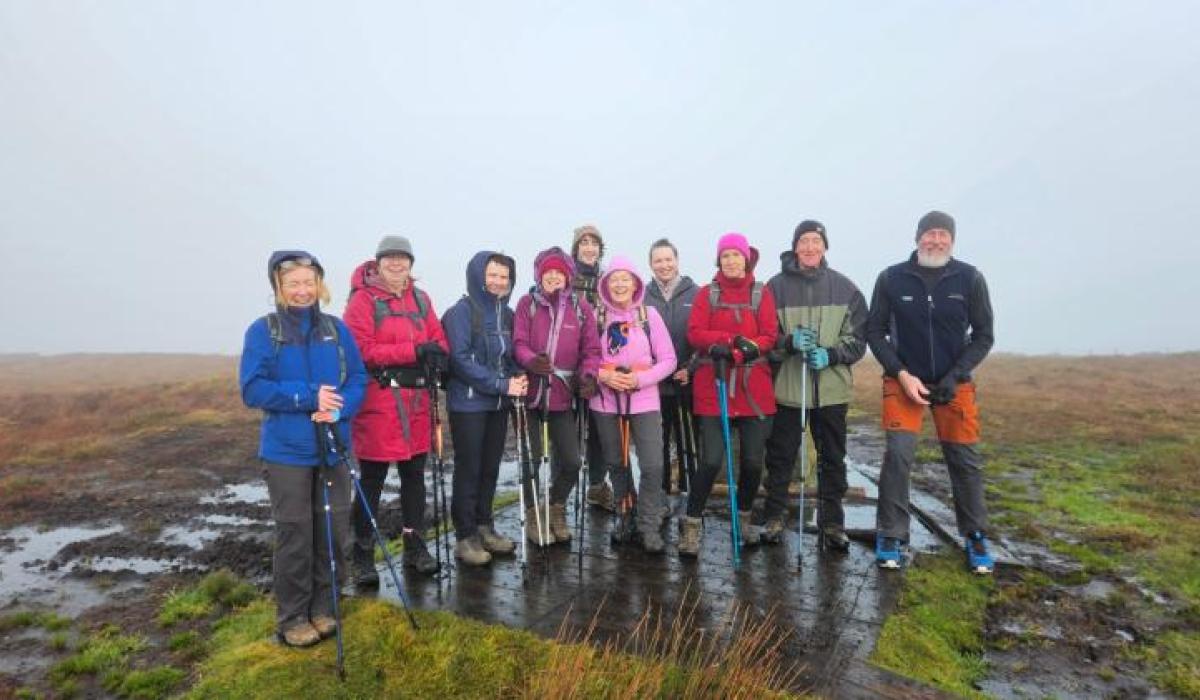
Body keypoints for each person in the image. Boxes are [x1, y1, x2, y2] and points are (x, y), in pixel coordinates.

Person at [239, 251, 367, 647]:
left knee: (333, 531)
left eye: (308, 282)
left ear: (319, 284)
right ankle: (293, 617)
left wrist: (339, 408)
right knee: (295, 535)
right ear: (278, 287)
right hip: (287, 453)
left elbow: (358, 378)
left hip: (333, 447)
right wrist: (308, 396)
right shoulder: (264, 331)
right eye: (293, 283)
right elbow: (253, 388)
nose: (302, 290)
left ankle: (325, 607)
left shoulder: (336, 329)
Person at [866, 211, 996, 573]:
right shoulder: (891, 278)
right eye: (929, 234)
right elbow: (874, 331)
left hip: (955, 384)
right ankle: (891, 534)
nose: (935, 241)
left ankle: (975, 535)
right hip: (903, 380)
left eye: (943, 235)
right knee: (898, 456)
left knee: (964, 459)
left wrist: (956, 375)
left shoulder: (970, 278)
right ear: (917, 237)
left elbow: (984, 335)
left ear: (952, 240)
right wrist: (901, 373)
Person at [343, 235, 449, 583]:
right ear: (377, 262)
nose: (396, 263)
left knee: (414, 476)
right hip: (379, 402)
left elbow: (438, 338)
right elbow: (361, 350)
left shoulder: (421, 298)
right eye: (389, 257)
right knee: (372, 479)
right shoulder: (362, 300)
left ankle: (414, 546)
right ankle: (362, 556)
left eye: (403, 257)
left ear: (410, 263)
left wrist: (437, 354)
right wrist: (414, 351)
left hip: (416, 402)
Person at [762, 220, 867, 551]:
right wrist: (788, 342)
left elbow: (859, 340)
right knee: (780, 457)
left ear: (824, 246)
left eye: (815, 241)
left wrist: (831, 354)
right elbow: (766, 337)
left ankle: (832, 523)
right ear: (795, 247)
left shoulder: (846, 288)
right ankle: (774, 516)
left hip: (831, 391)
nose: (809, 247)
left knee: (832, 458)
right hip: (788, 390)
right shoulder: (774, 288)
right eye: (804, 241)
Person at [682, 233, 778, 557]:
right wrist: (726, 341)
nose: (732, 261)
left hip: (754, 390)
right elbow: (695, 332)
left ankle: (744, 518)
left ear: (747, 258)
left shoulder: (761, 293)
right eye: (726, 256)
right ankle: (691, 524)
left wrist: (739, 351)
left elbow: (769, 335)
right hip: (714, 386)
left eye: (737, 255)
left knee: (752, 463)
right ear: (719, 260)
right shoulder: (707, 294)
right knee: (710, 461)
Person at [442, 251, 528, 566]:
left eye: (504, 277)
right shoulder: (461, 313)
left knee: (490, 467)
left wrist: (519, 374)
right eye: (492, 275)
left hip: (497, 403)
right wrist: (502, 385)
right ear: (478, 276)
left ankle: (484, 526)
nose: (498, 282)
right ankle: (465, 536)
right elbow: (460, 360)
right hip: (468, 404)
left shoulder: (508, 315)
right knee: (469, 468)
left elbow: (509, 356)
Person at [513, 246, 602, 544]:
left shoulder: (581, 307)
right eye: (547, 272)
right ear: (539, 276)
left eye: (558, 273)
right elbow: (519, 342)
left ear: (568, 277)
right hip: (531, 396)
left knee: (572, 462)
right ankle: (533, 515)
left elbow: (591, 350)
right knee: (533, 461)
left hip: (563, 397)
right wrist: (530, 361)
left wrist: (588, 376)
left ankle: (555, 506)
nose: (553, 277)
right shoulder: (528, 304)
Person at [589, 255, 677, 553]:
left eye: (625, 279)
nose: (619, 284)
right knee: (617, 463)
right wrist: (605, 375)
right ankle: (625, 514)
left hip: (644, 400)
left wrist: (639, 380)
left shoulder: (648, 316)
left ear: (636, 284)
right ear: (605, 285)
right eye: (614, 279)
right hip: (606, 401)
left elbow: (668, 360)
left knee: (652, 464)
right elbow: (585, 359)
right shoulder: (596, 317)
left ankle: (648, 523)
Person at [644, 238, 700, 499]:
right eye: (658, 260)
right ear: (651, 264)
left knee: (692, 440)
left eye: (668, 259)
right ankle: (663, 495)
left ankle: (694, 496)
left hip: (688, 381)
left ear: (677, 261)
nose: (664, 265)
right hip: (655, 385)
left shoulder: (696, 293)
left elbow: (702, 337)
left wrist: (691, 368)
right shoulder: (642, 296)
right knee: (659, 443)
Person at [570, 224, 615, 512]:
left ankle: (597, 486)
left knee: (599, 430)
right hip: (568, 367)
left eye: (594, 243)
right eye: (584, 243)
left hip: (600, 366)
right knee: (569, 431)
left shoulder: (607, 281)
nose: (589, 248)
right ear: (575, 249)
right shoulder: (565, 279)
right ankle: (562, 490)